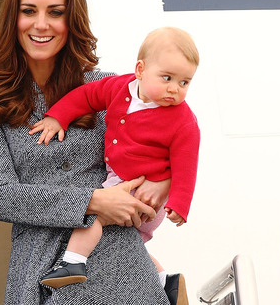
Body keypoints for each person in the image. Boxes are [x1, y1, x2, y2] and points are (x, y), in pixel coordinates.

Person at [0, 0, 176, 304]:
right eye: (29, 11)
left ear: (71, 19)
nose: (41, 24)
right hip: (39, 269)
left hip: (121, 267)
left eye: (56, 12)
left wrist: (162, 182)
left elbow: (161, 143)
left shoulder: (109, 87)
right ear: (12, 18)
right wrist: (93, 201)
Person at [31, 26, 200, 305]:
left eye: (184, 82)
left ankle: (73, 262)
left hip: (141, 190)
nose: (174, 89)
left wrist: (180, 204)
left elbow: (187, 164)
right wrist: (58, 117)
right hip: (121, 178)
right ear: (140, 69)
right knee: (130, 243)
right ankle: (165, 282)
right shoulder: (117, 88)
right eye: (167, 77)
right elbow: (85, 97)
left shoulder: (182, 120)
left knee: (94, 213)